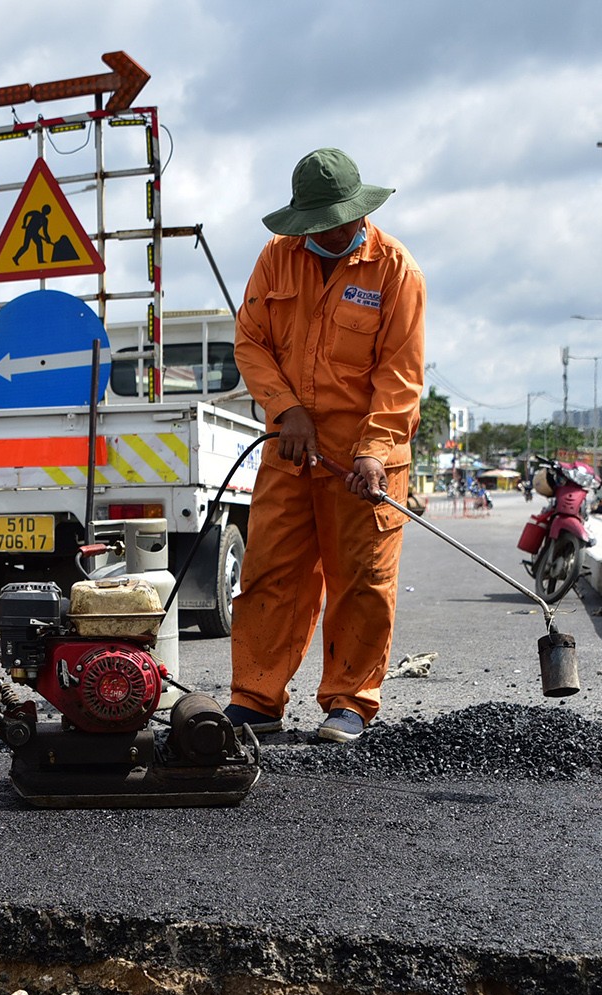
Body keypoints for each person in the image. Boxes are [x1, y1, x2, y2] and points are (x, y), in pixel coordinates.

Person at [223, 148, 426, 744]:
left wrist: (373, 449)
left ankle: (349, 702)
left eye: (336, 220)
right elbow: (251, 342)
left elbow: (400, 373)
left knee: (360, 579)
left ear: (359, 211)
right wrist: (286, 410)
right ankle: (257, 699)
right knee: (269, 574)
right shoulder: (276, 259)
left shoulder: (395, 270)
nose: (326, 232)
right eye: (314, 223)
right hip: (289, 450)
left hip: (364, 460)